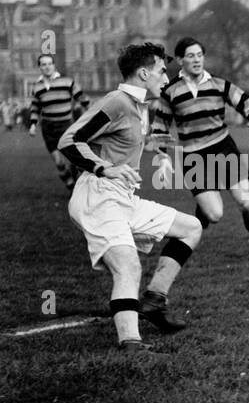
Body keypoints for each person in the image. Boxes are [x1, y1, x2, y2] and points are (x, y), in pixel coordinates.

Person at [57, 42, 204, 352]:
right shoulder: (117, 102)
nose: (167, 78)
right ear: (143, 72)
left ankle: (153, 301)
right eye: (163, 71)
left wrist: (156, 152)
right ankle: (132, 345)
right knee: (128, 266)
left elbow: (126, 140)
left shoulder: (139, 105)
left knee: (191, 227)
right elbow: (69, 140)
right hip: (98, 197)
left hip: (122, 197)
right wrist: (103, 168)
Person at [150, 37, 249, 259]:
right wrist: (162, 157)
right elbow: (160, 128)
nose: (197, 60)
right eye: (191, 56)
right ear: (180, 60)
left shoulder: (220, 85)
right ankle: (202, 210)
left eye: (200, 55)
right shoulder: (170, 92)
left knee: (246, 204)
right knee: (215, 214)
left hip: (223, 149)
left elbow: (247, 102)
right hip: (193, 157)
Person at [28, 54, 91, 192]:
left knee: (73, 161)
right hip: (48, 128)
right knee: (59, 162)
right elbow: (35, 107)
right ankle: (71, 187)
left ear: (54, 65)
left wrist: (90, 112)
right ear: (39, 67)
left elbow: (82, 98)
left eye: (49, 63)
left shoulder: (67, 82)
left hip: (66, 126)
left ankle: (76, 185)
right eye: (43, 64)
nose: (47, 67)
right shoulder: (36, 88)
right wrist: (33, 124)